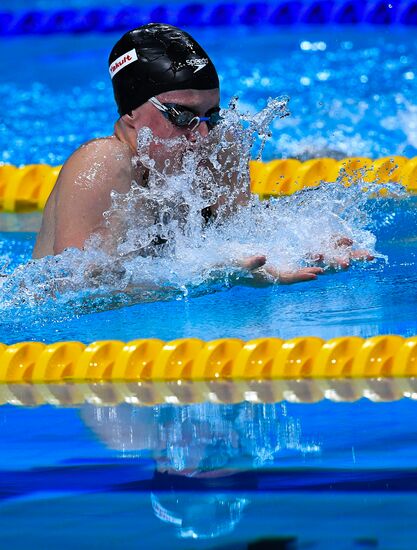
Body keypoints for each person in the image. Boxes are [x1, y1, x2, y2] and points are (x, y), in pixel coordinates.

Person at [32, 23, 371, 284]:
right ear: (131, 114)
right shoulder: (104, 162)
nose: (203, 134)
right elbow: (79, 290)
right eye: (180, 116)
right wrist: (209, 274)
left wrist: (304, 243)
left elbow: (245, 238)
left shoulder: (217, 152)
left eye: (212, 115)